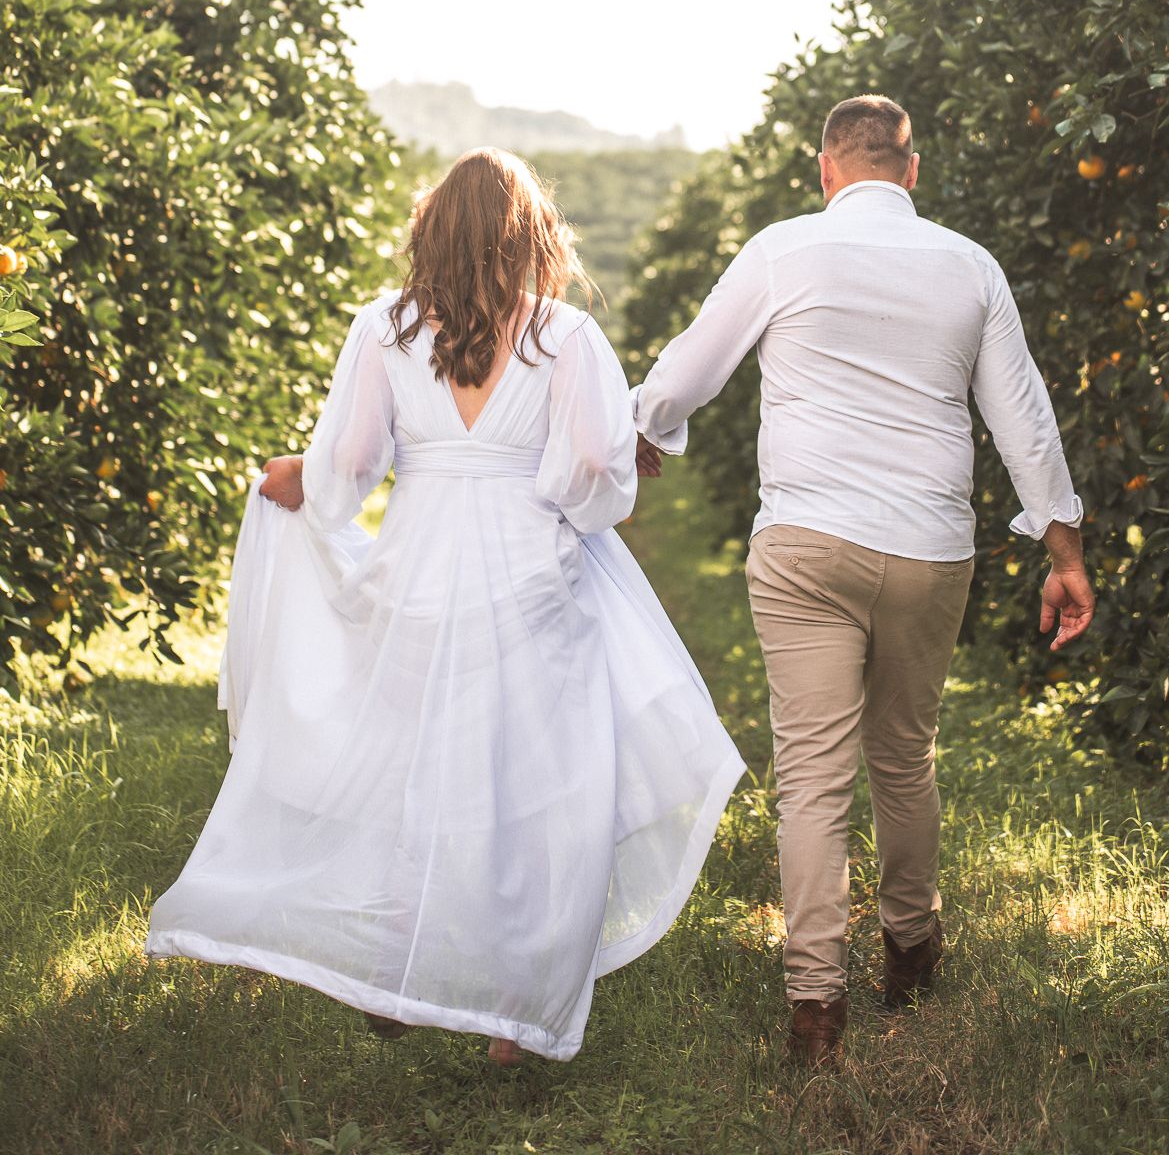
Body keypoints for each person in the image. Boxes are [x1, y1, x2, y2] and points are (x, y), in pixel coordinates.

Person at [146, 149, 744, 1064]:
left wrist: (297, 479)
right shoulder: (566, 335)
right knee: (542, 787)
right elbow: (591, 470)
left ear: (429, 232)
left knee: (416, 771)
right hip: (532, 578)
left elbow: (346, 468)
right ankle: (515, 1011)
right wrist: (574, 495)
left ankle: (397, 970)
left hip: (417, 573)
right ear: (532, 237)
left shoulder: (380, 330)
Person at [631, 95, 1094, 1065]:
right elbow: (1022, 417)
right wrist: (1062, 552)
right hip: (927, 548)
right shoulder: (968, 266)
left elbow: (687, 374)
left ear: (824, 169)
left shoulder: (780, 249)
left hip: (804, 543)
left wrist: (635, 430)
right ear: (910, 171)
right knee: (902, 756)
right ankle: (911, 947)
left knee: (809, 777)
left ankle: (814, 1000)